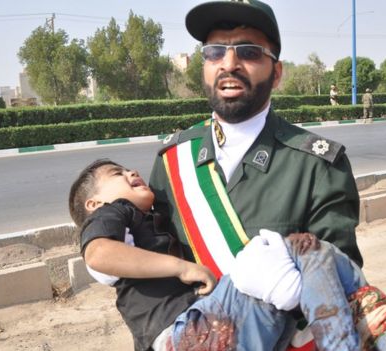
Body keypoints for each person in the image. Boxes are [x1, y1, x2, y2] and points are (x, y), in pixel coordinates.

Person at [146, 1, 363, 349]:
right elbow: (155, 270)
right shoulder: (174, 159)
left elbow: (340, 287)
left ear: (276, 73)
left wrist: (289, 294)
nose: (228, 64)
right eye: (215, 52)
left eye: (248, 51)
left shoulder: (318, 165)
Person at [69, 158, 386, 351]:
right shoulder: (113, 213)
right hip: (183, 335)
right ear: (94, 203)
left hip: (210, 330)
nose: (131, 171)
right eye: (117, 173)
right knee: (289, 251)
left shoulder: (148, 219)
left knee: (317, 253)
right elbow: (98, 255)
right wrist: (181, 267)